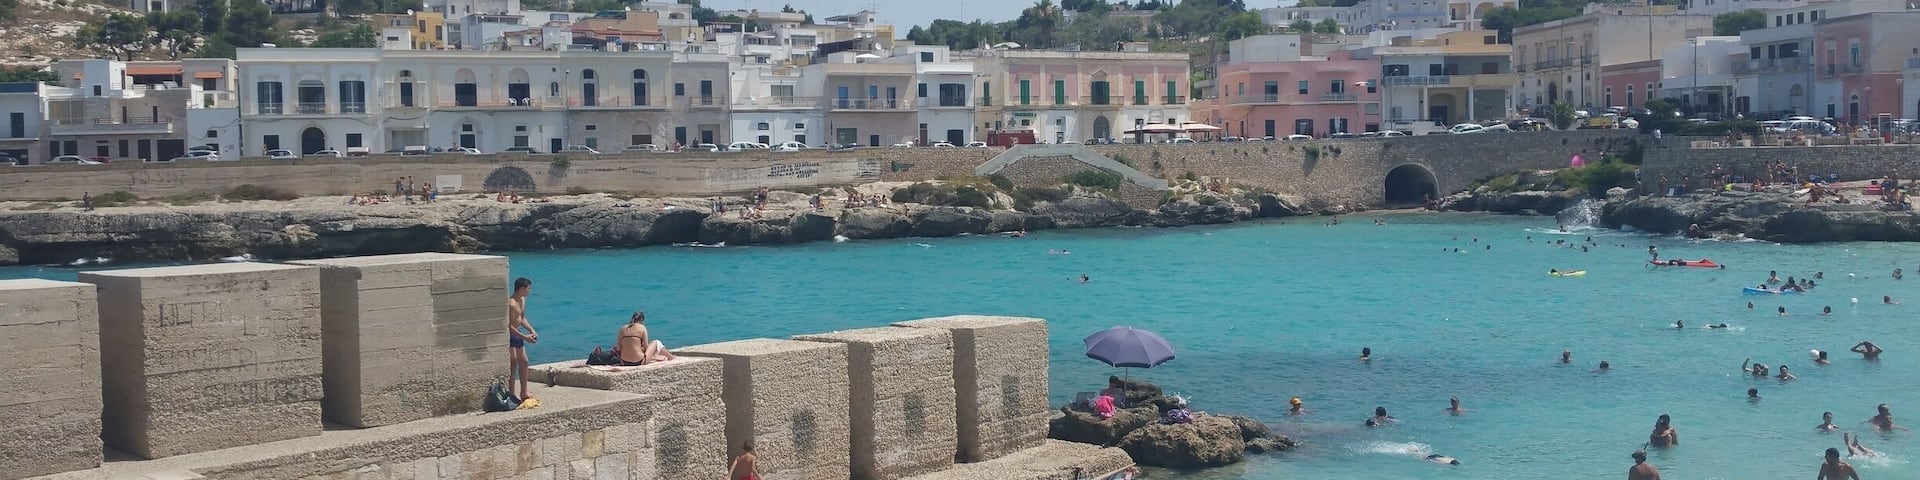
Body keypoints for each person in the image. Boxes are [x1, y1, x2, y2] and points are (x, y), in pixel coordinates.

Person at [507, 277, 538, 401]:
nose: (529, 291)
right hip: (510, 334)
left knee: (524, 362)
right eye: (528, 288)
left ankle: (524, 392)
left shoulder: (522, 300)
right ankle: (510, 392)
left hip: (518, 333)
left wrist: (531, 329)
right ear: (521, 288)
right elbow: (508, 325)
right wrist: (524, 337)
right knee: (513, 363)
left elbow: (521, 318)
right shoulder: (510, 303)